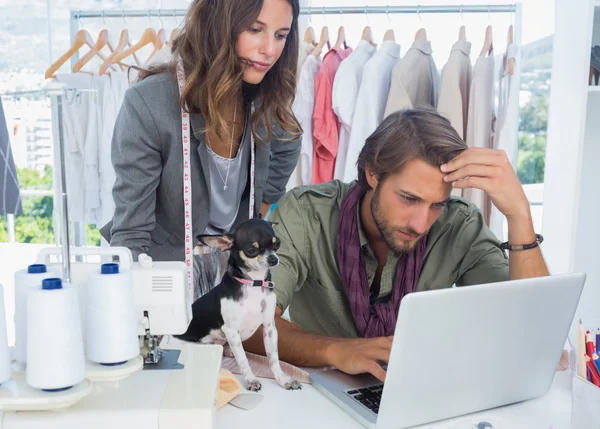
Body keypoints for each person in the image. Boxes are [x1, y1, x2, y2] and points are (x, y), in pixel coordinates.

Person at [244, 107, 549, 382]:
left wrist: (519, 215)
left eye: (437, 205)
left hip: (423, 391)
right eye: (409, 199)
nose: (420, 223)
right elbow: (248, 326)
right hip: (323, 394)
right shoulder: (307, 213)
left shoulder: (460, 226)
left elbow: (532, 335)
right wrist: (338, 351)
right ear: (373, 174)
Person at [100, 0, 302, 299]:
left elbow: (289, 140)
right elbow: (131, 232)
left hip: (230, 267)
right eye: (255, 29)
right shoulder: (150, 104)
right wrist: (137, 309)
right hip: (164, 271)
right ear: (217, 27)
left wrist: (262, 204)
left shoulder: (264, 100)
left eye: (281, 35)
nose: (270, 50)